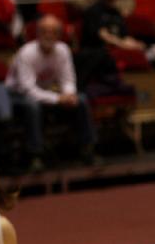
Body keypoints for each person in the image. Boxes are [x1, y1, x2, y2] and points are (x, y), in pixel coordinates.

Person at [5, 14, 98, 172]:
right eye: (44, 31)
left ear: (59, 35)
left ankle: (87, 149)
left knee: (81, 100)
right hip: (17, 96)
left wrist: (69, 95)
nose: (48, 35)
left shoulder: (62, 50)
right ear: (37, 33)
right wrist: (58, 98)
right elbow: (27, 89)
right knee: (32, 106)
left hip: (46, 93)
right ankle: (35, 155)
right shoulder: (26, 53)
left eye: (53, 32)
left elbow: (67, 79)